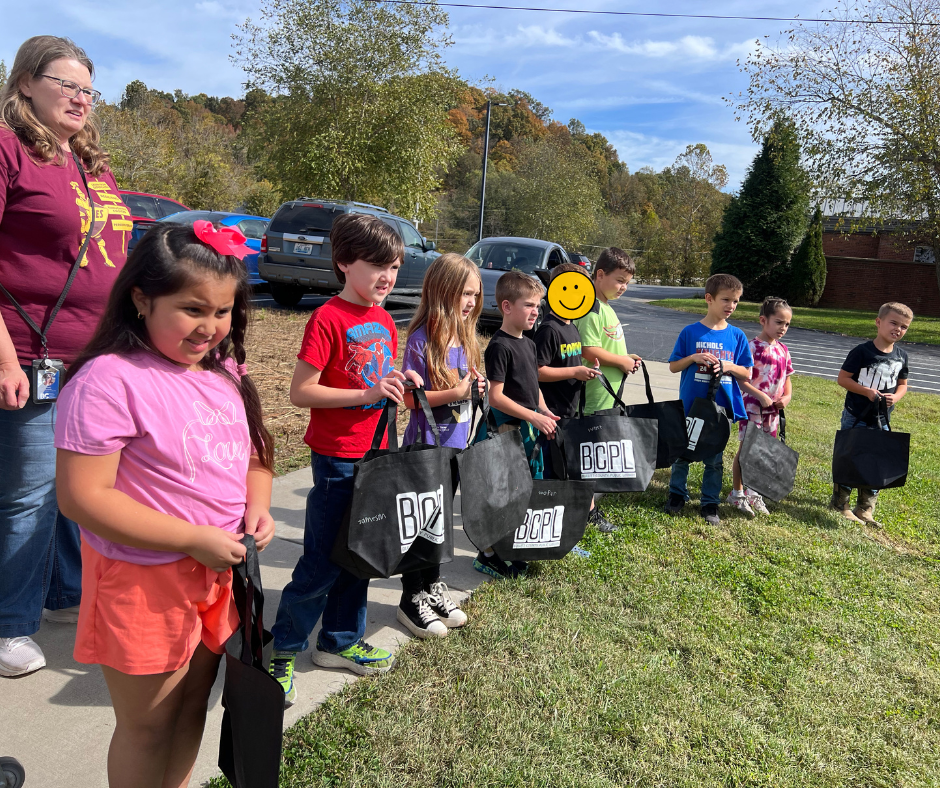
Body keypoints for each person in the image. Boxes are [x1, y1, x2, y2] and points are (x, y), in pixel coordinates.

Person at [53, 222, 275, 786]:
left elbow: (254, 456)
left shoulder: (223, 373)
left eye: (222, 311)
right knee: (148, 726)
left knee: (192, 706)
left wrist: (258, 505)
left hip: (216, 573)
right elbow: (82, 496)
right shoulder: (109, 381)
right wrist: (192, 538)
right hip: (142, 580)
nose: (210, 327)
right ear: (141, 298)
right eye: (192, 309)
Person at [0, 36, 129, 678]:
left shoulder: (90, 163)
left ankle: (64, 592)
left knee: (77, 485)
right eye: (66, 84)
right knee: (27, 496)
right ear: (26, 82)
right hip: (28, 353)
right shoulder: (8, 150)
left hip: (92, 361)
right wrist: (4, 359)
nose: (80, 98)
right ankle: (8, 625)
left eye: (88, 89)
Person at [267, 214, 423, 706]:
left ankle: (338, 641)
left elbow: (377, 376)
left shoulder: (383, 319)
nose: (387, 276)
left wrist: (399, 382)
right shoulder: (328, 318)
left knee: (360, 555)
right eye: (376, 265)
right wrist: (366, 394)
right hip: (337, 460)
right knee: (321, 562)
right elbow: (301, 392)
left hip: (376, 454)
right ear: (343, 263)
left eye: (393, 266)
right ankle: (283, 651)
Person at [396, 253, 484, 638]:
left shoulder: (464, 338)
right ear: (441, 291)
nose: (471, 301)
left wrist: (475, 389)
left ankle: (432, 586)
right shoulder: (422, 340)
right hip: (425, 449)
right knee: (419, 525)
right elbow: (409, 399)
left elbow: (463, 391)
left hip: (455, 447)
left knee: (440, 524)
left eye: (475, 294)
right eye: (465, 293)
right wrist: (455, 392)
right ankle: (411, 597)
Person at [476, 270, 559, 580]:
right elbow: (495, 397)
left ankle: (513, 546)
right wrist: (532, 416)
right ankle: (487, 554)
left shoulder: (529, 343)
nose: (535, 312)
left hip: (527, 427)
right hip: (505, 430)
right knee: (501, 493)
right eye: (529, 305)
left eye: (538, 306)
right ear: (507, 306)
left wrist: (544, 410)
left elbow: (532, 386)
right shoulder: (499, 346)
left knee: (523, 490)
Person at [664, 273, 753, 525]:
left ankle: (710, 503)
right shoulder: (691, 332)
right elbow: (673, 366)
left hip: (719, 409)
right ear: (709, 298)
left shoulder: (736, 336)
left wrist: (728, 366)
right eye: (726, 299)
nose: (731, 306)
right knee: (682, 453)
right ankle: (677, 494)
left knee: (714, 459)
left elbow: (747, 372)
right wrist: (693, 358)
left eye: (736, 301)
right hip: (691, 406)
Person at [533, 263, 614, 532]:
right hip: (552, 413)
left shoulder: (571, 326)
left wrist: (587, 370)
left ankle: (584, 514)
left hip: (571, 410)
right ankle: (557, 522)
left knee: (575, 466)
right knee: (555, 470)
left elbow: (571, 361)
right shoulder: (549, 329)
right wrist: (574, 371)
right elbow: (538, 371)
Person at [832, 301, 912, 526]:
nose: (898, 329)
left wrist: (896, 397)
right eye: (893, 323)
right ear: (878, 322)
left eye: (904, 326)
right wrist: (866, 391)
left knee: (877, 460)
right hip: (856, 415)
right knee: (850, 457)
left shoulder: (901, 356)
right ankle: (841, 503)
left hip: (881, 419)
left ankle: (865, 508)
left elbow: (903, 384)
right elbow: (843, 379)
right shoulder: (862, 352)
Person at [728, 297, 794, 517]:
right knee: (746, 451)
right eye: (778, 322)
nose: (783, 328)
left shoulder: (783, 350)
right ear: (763, 320)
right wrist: (760, 396)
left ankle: (754, 492)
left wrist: (786, 397)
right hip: (752, 409)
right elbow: (741, 380)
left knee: (763, 452)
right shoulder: (752, 348)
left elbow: (787, 379)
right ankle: (737, 493)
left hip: (772, 412)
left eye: (787, 324)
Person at [574, 247, 641, 416]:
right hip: (592, 401)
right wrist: (621, 361)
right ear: (600, 275)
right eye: (620, 280)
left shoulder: (606, 306)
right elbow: (588, 350)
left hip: (607, 398)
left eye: (627, 283)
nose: (624, 287)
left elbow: (605, 345)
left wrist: (626, 358)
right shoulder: (591, 308)